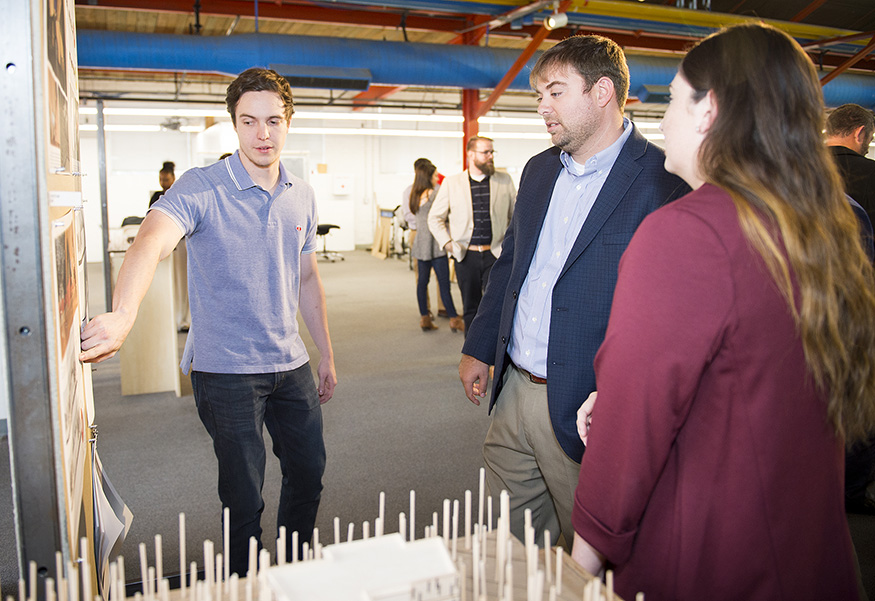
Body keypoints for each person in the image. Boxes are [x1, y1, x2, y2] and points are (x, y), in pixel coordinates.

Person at [570, 24, 875, 601]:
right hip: (808, 554)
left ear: (709, 109)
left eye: (671, 101)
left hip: (710, 561)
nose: (660, 122)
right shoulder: (820, 225)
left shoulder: (686, 233)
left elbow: (631, 429)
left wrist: (580, 561)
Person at [79, 67, 337, 576]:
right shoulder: (202, 188)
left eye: (274, 121)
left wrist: (325, 352)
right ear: (233, 125)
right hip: (225, 370)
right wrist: (124, 314)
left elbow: (307, 279)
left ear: (288, 122)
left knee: (309, 473)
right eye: (249, 122)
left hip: (291, 363)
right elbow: (150, 242)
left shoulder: (301, 194)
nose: (263, 134)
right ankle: (244, 583)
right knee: (243, 497)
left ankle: (292, 572)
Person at [458, 35, 687, 550]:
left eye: (555, 93)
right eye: (539, 95)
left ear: (602, 91)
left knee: (593, 556)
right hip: (513, 388)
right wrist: (479, 344)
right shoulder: (539, 171)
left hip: (588, 406)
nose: (542, 107)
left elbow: (669, 317)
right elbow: (512, 264)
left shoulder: (662, 181)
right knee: (512, 550)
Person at [427, 136, 516, 334]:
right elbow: (434, 218)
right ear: (471, 155)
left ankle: (493, 359)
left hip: (496, 254)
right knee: (470, 308)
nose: (491, 156)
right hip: (466, 255)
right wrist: (448, 243)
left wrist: (510, 245)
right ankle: (472, 359)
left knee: (496, 308)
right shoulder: (452, 183)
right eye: (486, 152)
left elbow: (516, 216)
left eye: (492, 152)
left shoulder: (504, 181)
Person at [409, 160, 464, 332]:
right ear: (428, 177)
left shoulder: (412, 194)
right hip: (436, 244)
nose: (437, 178)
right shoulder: (437, 192)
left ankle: (424, 317)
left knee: (422, 283)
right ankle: (454, 318)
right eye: (434, 175)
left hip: (420, 244)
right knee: (443, 284)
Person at [402, 158, 445, 318]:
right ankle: (425, 311)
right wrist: (425, 223)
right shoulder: (409, 191)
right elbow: (408, 214)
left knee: (442, 274)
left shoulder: (438, 189)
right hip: (418, 233)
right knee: (421, 276)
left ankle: (443, 307)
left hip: (438, 235)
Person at [827, 103, 875, 227]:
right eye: (869, 141)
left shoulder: (798, 169)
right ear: (860, 133)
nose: (867, 149)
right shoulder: (871, 172)